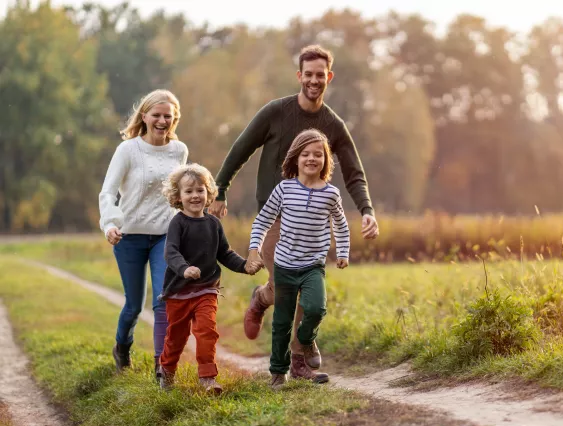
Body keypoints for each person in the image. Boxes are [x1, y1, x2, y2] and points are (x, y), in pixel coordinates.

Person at [210, 44, 379, 371]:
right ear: (299, 76)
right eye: (308, 75)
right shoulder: (275, 112)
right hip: (275, 215)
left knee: (306, 284)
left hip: (314, 220)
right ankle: (261, 298)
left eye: (321, 75)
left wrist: (367, 210)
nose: (314, 81)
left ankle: (300, 354)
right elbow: (240, 149)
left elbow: (354, 172)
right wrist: (220, 189)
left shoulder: (333, 125)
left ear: (329, 77)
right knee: (283, 287)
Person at [246, 129, 349, 390]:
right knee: (281, 321)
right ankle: (278, 373)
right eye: (305, 154)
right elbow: (263, 221)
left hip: (313, 265)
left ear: (326, 160)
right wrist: (254, 249)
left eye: (318, 154)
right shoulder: (284, 189)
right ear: (295, 158)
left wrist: (343, 252)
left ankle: (306, 340)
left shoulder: (331, 194)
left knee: (316, 308)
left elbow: (341, 225)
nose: (311, 159)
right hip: (284, 266)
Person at [98, 89, 189, 380]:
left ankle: (162, 367)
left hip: (166, 235)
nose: (162, 120)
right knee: (134, 306)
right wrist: (110, 224)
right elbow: (108, 192)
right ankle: (122, 347)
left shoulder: (179, 151)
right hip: (129, 236)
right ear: (145, 116)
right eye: (157, 115)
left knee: (163, 299)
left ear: (174, 119)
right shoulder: (128, 150)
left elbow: (180, 192)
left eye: (167, 116)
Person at [157, 163, 259, 393]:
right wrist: (184, 269)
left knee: (207, 330)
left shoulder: (213, 223)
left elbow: (224, 253)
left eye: (200, 190)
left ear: (209, 193)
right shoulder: (178, 223)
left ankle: (207, 378)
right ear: (178, 196)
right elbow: (170, 252)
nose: (195, 196)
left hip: (206, 289)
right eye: (189, 191)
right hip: (179, 291)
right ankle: (167, 370)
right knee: (176, 337)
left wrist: (245, 266)